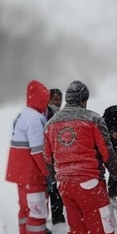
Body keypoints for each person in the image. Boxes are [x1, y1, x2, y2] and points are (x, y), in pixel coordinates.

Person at [44, 81, 117, 234]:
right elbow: (107, 152)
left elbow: (48, 158)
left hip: (66, 187)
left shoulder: (51, 124)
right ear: (84, 100)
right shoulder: (93, 119)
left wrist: (59, 178)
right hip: (90, 186)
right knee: (103, 232)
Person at [5, 80, 56, 234]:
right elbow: (37, 151)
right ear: (40, 98)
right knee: (37, 214)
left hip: (21, 174)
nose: (47, 103)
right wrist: (48, 172)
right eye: (46, 99)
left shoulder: (23, 114)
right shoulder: (35, 119)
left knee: (26, 212)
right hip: (32, 175)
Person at [46, 88, 66, 225]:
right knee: (52, 187)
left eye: (60, 99)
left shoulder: (58, 113)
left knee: (56, 186)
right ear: (49, 99)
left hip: (57, 155)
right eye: (55, 99)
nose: (58, 102)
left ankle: (58, 214)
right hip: (50, 155)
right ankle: (56, 216)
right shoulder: (48, 114)